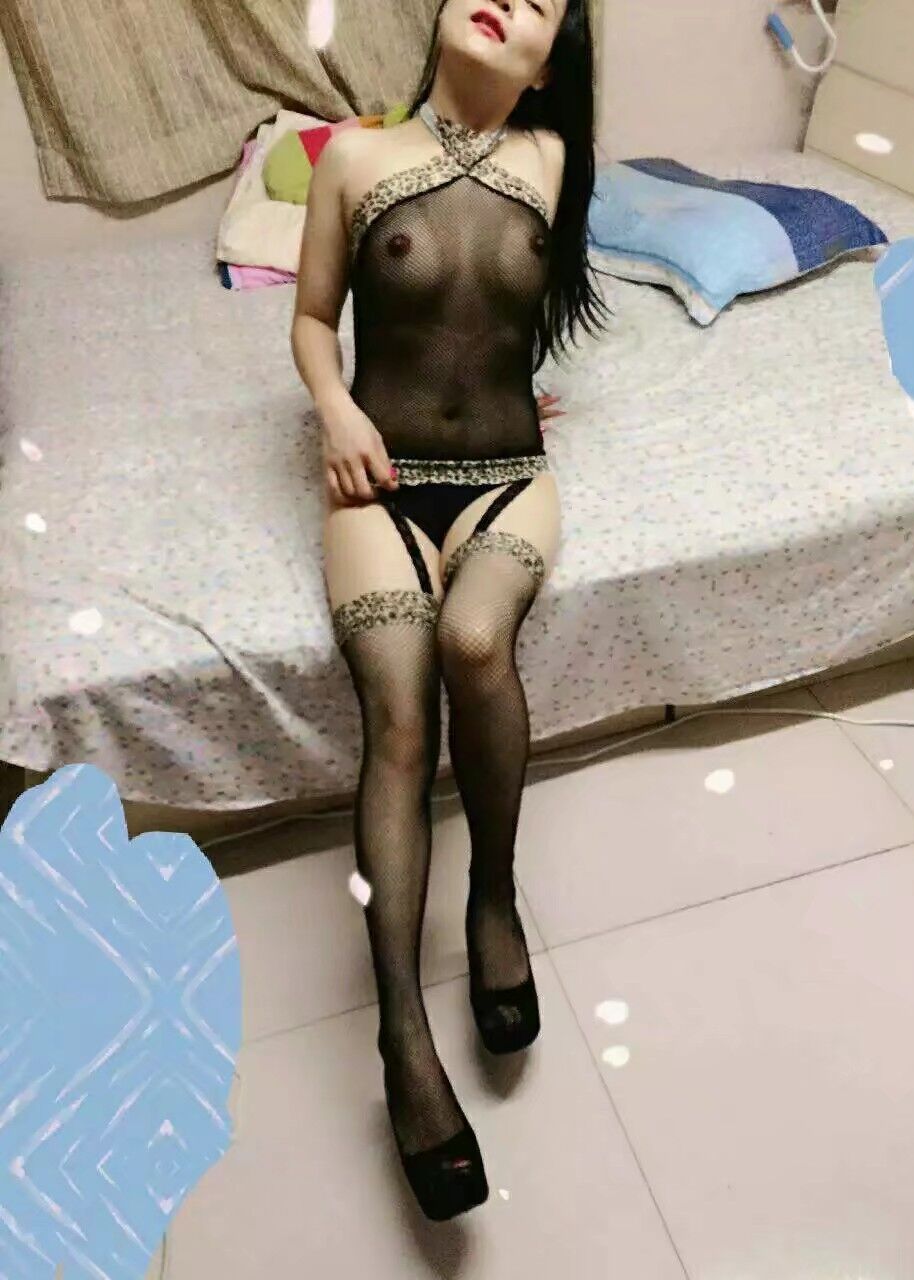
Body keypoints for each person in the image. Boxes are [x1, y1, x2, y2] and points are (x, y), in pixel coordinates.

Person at [291, 0, 605, 1222]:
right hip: (377, 481)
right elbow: (313, 320)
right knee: (398, 715)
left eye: (541, 3)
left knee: (476, 642)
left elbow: (523, 305)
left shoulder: (558, 160)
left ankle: (494, 894)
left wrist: (518, 377)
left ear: (546, 65)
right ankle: (401, 1033)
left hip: (509, 479)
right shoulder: (354, 155)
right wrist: (336, 411)